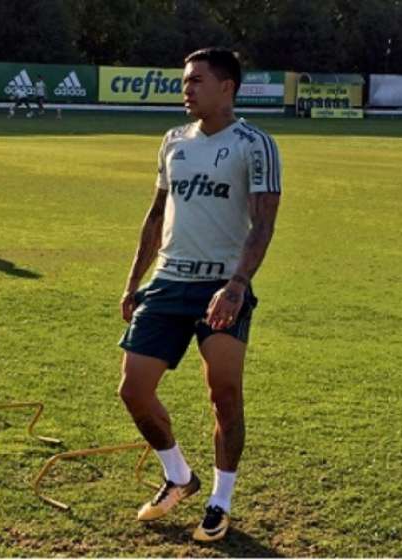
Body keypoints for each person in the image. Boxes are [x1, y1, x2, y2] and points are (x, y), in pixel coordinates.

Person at [117, 47, 281, 542]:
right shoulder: (172, 141)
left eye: (195, 81)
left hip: (221, 286)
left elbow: (263, 222)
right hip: (168, 282)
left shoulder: (256, 144)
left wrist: (237, 286)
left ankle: (220, 499)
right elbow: (154, 216)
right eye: (185, 81)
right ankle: (178, 476)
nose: (185, 89)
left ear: (227, 86)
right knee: (134, 390)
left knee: (225, 395)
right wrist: (133, 282)